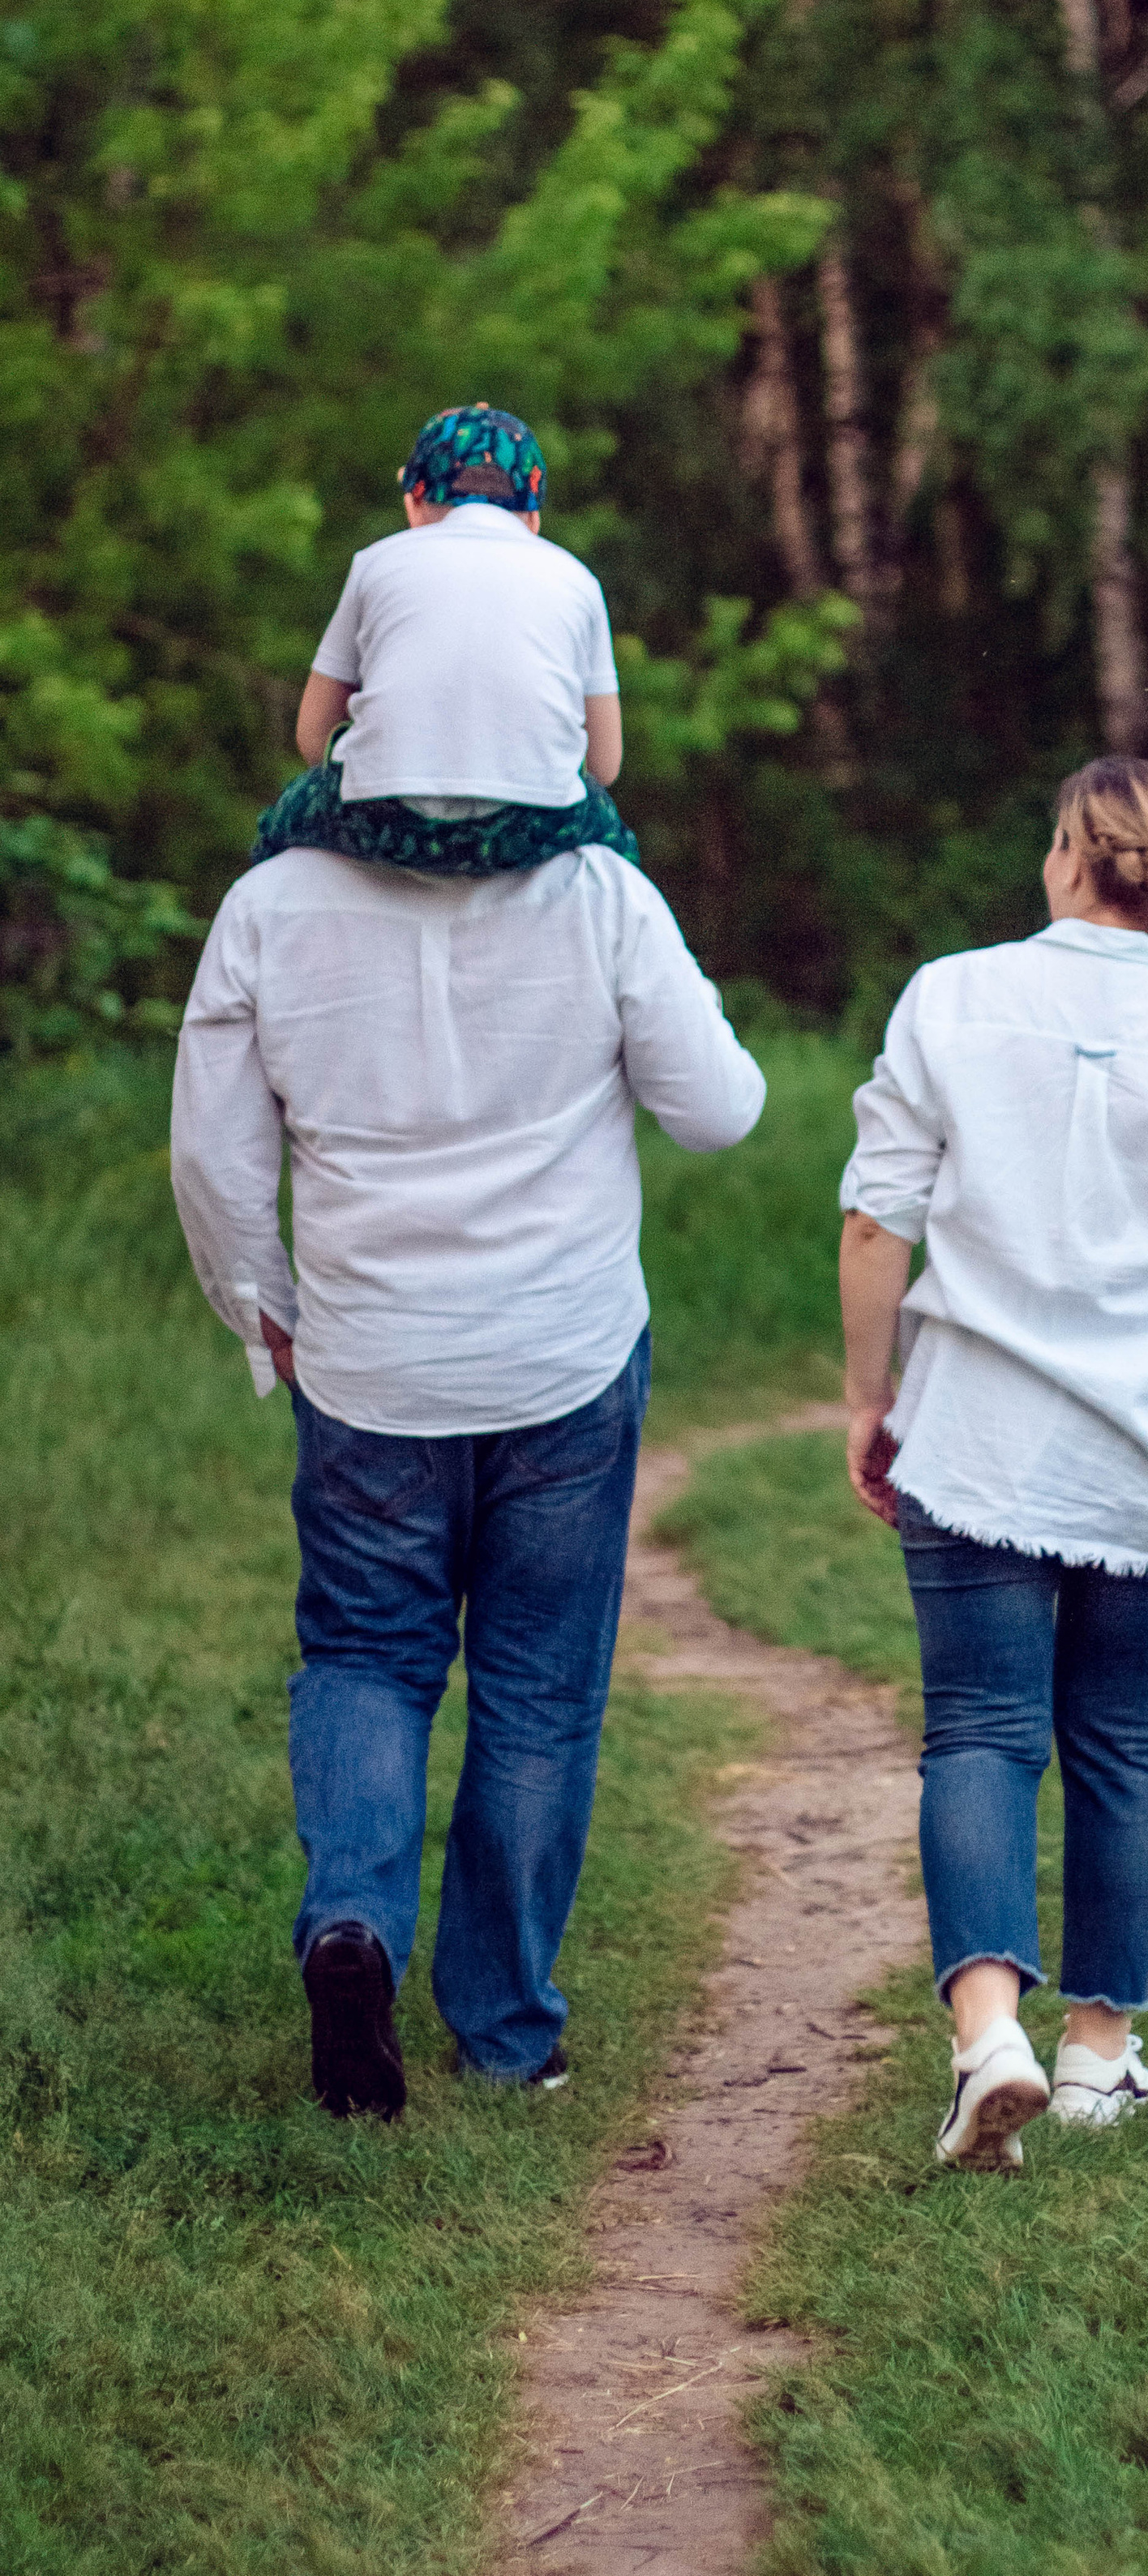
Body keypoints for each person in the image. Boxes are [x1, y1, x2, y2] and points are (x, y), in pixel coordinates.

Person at [170, 830, 765, 2119]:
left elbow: (214, 1156)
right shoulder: (599, 892)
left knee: (366, 1657)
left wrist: (261, 1307)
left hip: (370, 1364)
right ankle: (503, 2035)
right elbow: (718, 1110)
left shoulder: (271, 900)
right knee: (539, 1689)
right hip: (562, 1355)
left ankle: (353, 1929)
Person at [839, 758, 1148, 2172]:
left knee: (980, 1732)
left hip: (975, 1438)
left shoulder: (950, 998)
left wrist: (868, 1397)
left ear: (1064, 857)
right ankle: (1098, 2058)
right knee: (1123, 1742)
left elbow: (876, 1222)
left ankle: (990, 2036)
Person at [254, 401, 640, 876]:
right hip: (532, 824)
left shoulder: (375, 563)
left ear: (413, 505)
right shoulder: (578, 581)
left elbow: (313, 736)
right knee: (617, 847)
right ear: (533, 520)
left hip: (386, 817)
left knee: (281, 824)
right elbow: (605, 764)